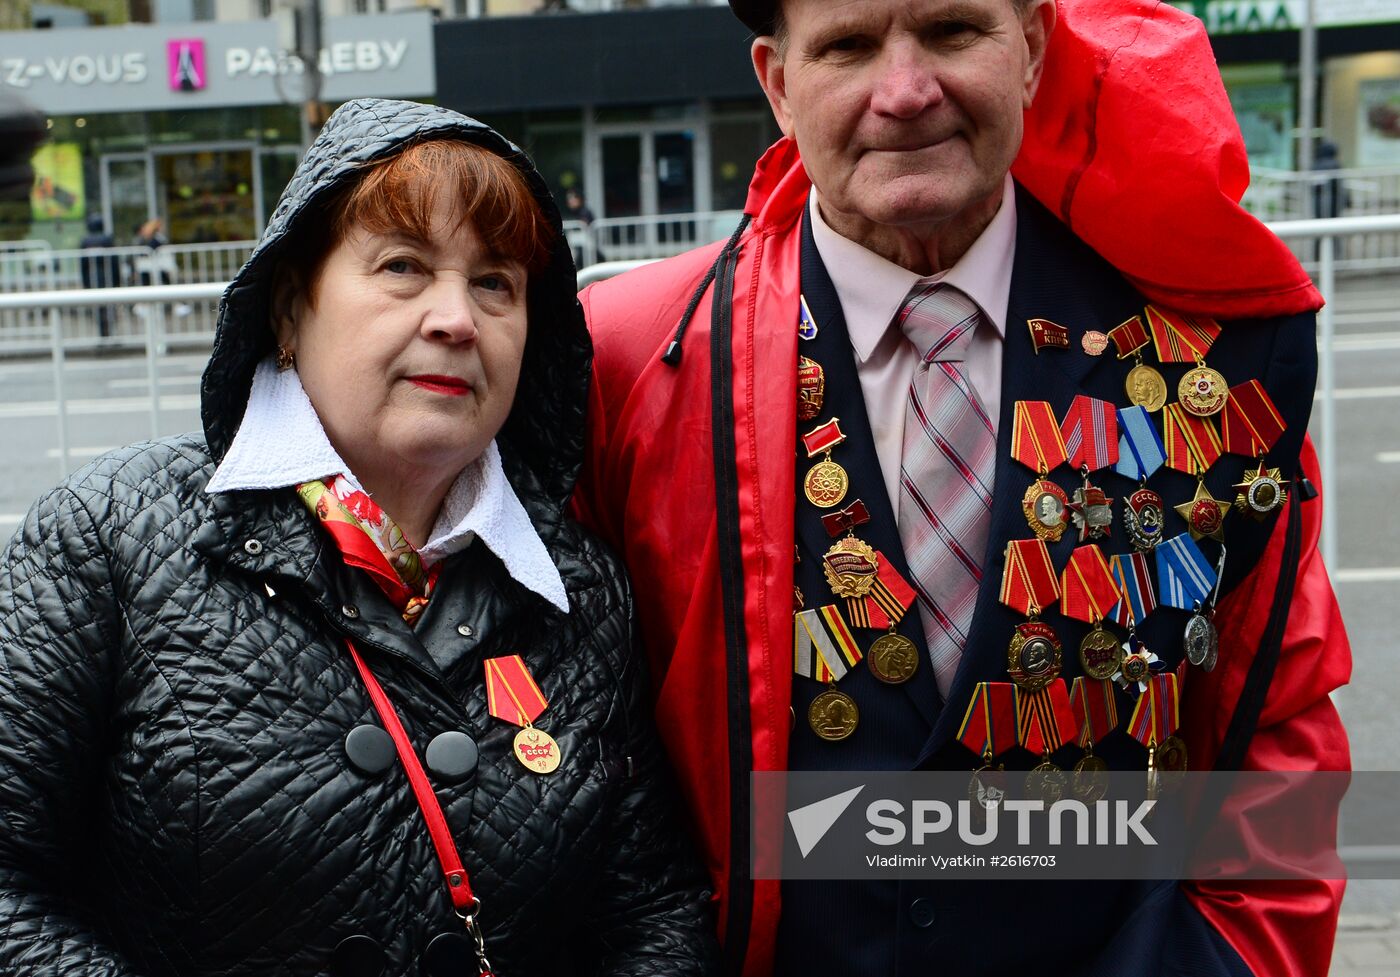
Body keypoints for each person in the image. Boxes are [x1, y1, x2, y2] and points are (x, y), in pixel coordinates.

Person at [573, 2, 1350, 975]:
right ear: (775, 84)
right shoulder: (630, 356)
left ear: (1028, 47)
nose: (903, 92)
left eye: (949, 31)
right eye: (848, 46)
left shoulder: (1209, 357)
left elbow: (1273, 755)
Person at [0, 98, 719, 977]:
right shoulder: (107, 538)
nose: (458, 318)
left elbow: (653, 909)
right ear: (291, 309)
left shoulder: (581, 589)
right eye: (404, 267)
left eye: (496, 282)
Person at [79, 212, 121, 337]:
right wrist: (117, 280)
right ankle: (109, 333)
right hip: (107, 278)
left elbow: (83, 264)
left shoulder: (85, 241)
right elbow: (114, 261)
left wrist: (85, 282)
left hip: (92, 278)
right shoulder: (107, 239)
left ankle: (103, 333)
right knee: (109, 306)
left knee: (98, 307)